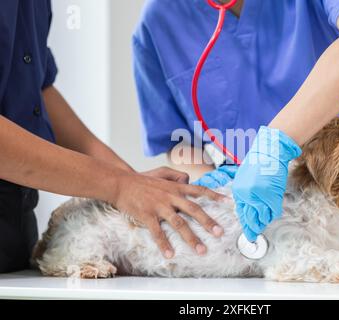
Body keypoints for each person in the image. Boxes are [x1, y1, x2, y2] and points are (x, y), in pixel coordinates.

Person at [133, 0, 339, 261]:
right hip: (270, 219)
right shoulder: (158, 22)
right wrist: (217, 196)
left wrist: (274, 146)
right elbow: (175, 139)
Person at [0, 0, 225, 273]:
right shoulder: (161, 19)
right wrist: (118, 186)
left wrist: (132, 185)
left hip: (13, 231)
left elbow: (36, 91)